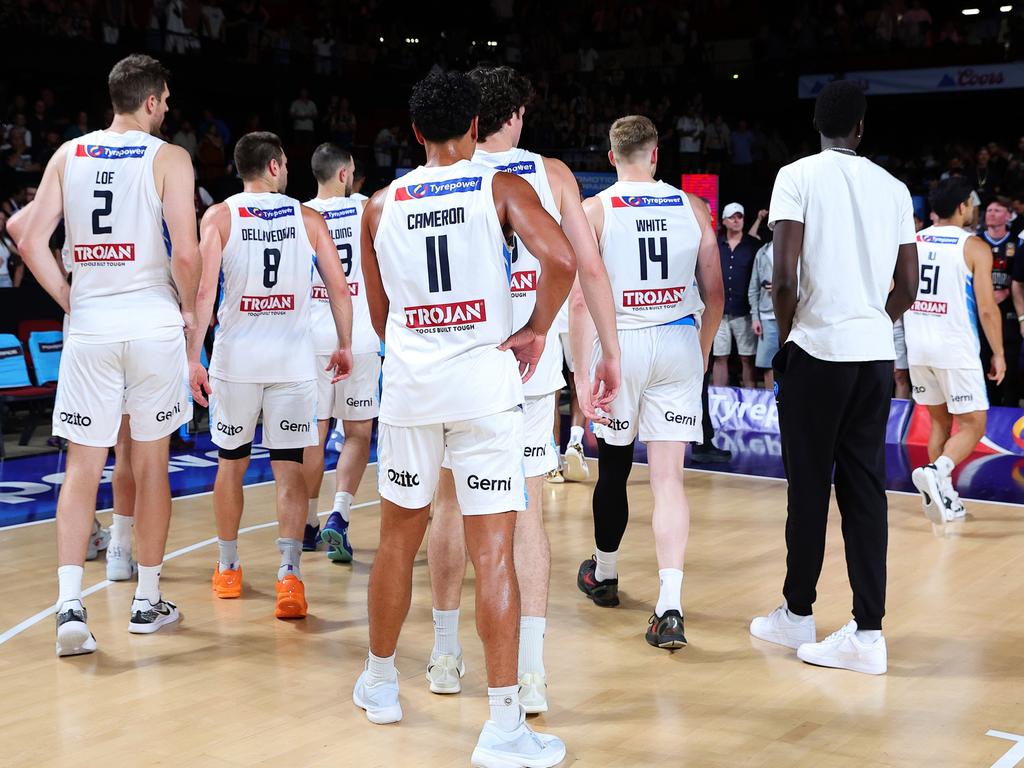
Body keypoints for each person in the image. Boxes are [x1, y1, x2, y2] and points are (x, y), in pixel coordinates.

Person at [355, 70, 573, 768]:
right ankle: (504, 722)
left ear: (416, 132)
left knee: (396, 541)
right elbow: (562, 259)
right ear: (478, 127)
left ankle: (382, 683)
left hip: (412, 388)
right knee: (493, 553)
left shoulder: (380, 205)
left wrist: (416, 345)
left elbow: (381, 314)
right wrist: (537, 327)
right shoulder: (501, 186)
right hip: (483, 385)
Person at [423, 65, 620, 714]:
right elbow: (588, 270)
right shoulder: (550, 174)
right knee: (528, 510)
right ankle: (531, 671)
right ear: (515, 116)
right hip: (529, 370)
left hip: (458, 364)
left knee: (451, 506)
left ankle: (447, 656)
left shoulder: (439, 178)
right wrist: (602, 358)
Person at [12, 54, 201, 655]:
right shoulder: (169, 158)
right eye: (165, 100)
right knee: (151, 466)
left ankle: (71, 604)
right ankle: (146, 600)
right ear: (150, 102)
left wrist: (71, 297)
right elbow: (188, 256)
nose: (167, 109)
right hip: (151, 325)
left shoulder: (69, 153)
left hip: (91, 329)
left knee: (81, 469)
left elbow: (25, 233)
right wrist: (191, 314)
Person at [749, 80, 918, 676]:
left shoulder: (796, 176)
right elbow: (908, 286)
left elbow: (786, 277)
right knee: (866, 492)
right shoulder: (895, 188)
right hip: (873, 357)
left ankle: (798, 612)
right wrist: (870, 320)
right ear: (861, 128)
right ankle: (868, 632)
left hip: (816, 353)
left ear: (816, 126)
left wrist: (791, 337)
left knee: (809, 488)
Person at [574, 115, 724, 650]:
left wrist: (583, 372)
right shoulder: (694, 208)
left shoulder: (595, 210)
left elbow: (580, 300)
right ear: (657, 155)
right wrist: (700, 354)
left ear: (611, 158)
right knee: (668, 481)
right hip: (679, 339)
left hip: (624, 343)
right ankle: (670, 606)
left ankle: (606, 572)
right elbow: (716, 296)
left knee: (613, 466)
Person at [189, 131, 352, 620]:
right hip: (291, 364)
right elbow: (340, 291)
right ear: (277, 167)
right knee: (289, 472)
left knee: (230, 464)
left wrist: (193, 357)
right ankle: (289, 576)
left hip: (237, 362)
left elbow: (203, 297)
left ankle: (228, 567)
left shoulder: (219, 215)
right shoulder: (308, 218)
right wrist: (345, 345)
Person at [905, 177, 1005, 524]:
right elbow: (988, 308)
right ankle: (938, 470)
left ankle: (944, 498)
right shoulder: (974, 246)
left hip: (917, 345)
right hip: (954, 347)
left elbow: (893, 291)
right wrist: (999, 353)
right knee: (975, 424)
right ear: (963, 206)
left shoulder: (912, 241)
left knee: (938, 423)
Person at [301, 143, 378, 562]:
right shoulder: (370, 210)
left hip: (310, 341)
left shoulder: (297, 214)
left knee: (313, 435)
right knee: (357, 434)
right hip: (360, 338)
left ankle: (309, 523)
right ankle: (339, 516)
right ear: (346, 173)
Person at [712, 202, 764, 388]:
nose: (736, 220)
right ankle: (718, 402)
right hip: (719, 312)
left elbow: (763, 272)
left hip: (745, 311)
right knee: (719, 357)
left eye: (740, 216)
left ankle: (750, 402)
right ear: (724, 221)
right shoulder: (715, 244)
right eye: (732, 217)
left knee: (747, 358)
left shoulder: (754, 246)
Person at [979, 198, 1020, 407]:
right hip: (981, 313)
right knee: (985, 363)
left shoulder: (1017, 242)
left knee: (1010, 366)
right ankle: (988, 412)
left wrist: (1008, 291)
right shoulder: (975, 241)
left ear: (1008, 215)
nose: (991, 213)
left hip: (1009, 313)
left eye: (997, 210)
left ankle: (1010, 414)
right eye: (989, 209)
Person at [747, 236, 778, 389]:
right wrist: (755, 317)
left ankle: (788, 407)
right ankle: (772, 405)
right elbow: (753, 287)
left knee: (792, 365)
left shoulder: (797, 248)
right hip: (766, 316)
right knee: (768, 364)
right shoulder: (763, 252)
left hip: (793, 316)